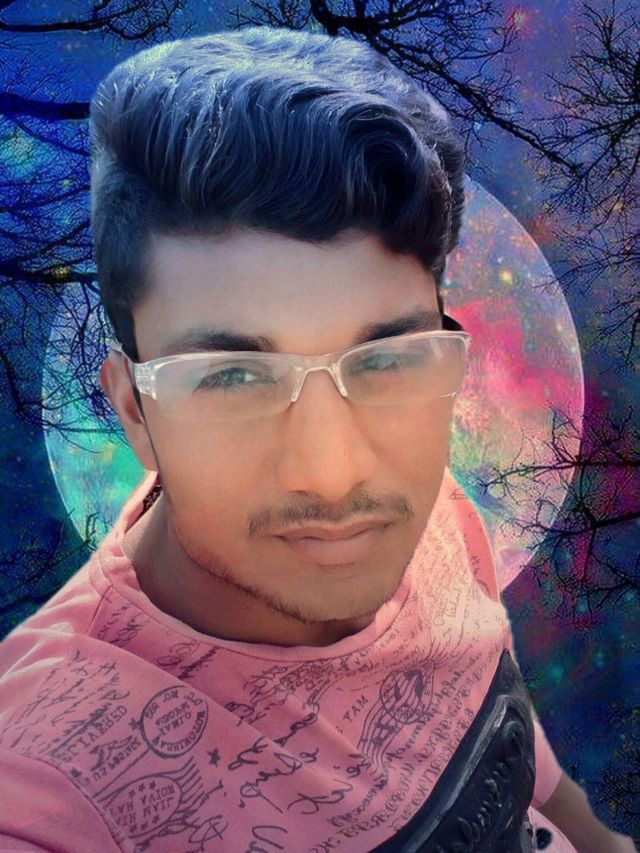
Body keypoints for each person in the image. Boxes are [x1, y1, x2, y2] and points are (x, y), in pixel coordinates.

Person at [0, 25, 634, 853]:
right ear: (133, 412)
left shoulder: (434, 516)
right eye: (232, 377)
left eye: (387, 361)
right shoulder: (48, 785)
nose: (335, 475)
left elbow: (504, 724)